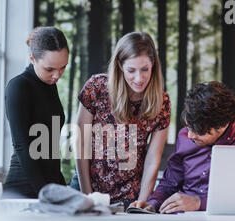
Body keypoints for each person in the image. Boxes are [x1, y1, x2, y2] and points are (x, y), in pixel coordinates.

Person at [130, 81, 235, 213]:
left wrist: (200, 203)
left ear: (222, 124)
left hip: (232, 220)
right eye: (188, 127)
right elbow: (170, 183)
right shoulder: (184, 136)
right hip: (183, 220)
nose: (190, 135)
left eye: (198, 131)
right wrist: (153, 204)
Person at [72, 32, 171, 205]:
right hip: (86, 188)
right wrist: (89, 196)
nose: (139, 79)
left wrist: (142, 202)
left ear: (153, 65)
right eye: (131, 70)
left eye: (145, 70)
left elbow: (153, 159)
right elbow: (81, 145)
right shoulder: (97, 87)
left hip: (130, 197)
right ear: (119, 65)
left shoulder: (161, 102)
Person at [3, 26, 69, 198]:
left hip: (51, 186)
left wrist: (60, 187)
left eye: (62, 67)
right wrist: (45, 193)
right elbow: (22, 146)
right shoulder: (19, 87)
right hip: (23, 189)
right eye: (50, 69)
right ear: (32, 58)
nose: (57, 75)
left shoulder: (50, 86)